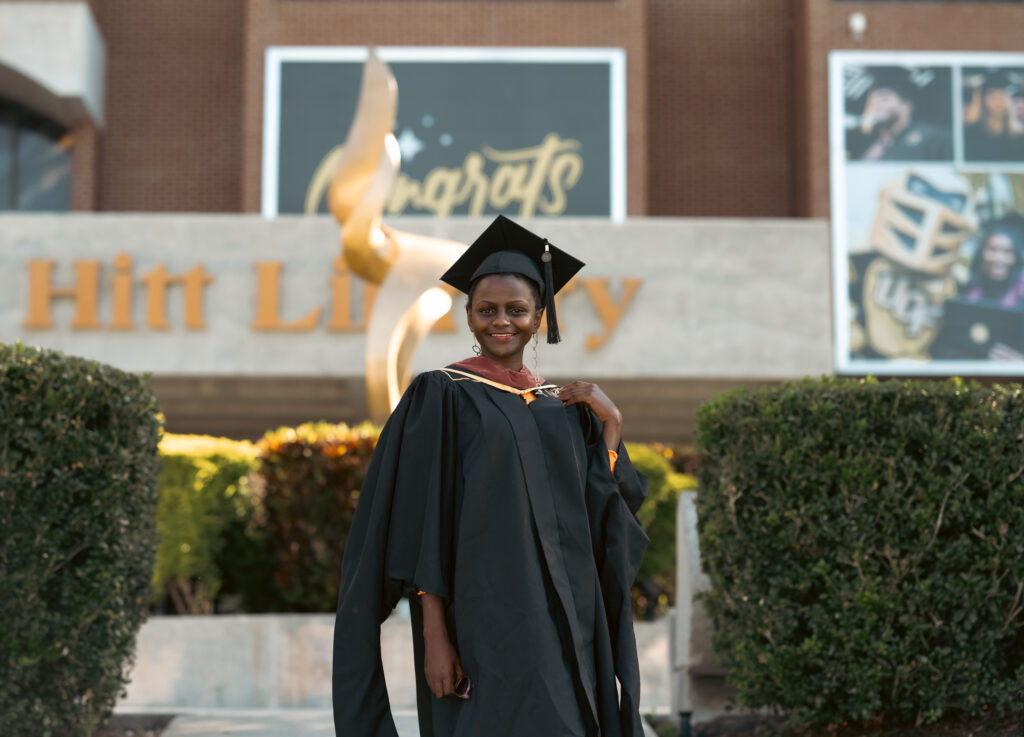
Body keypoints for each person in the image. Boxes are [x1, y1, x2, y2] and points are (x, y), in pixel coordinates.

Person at [331, 214, 649, 737]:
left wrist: (611, 428)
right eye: (488, 310)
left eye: (517, 310)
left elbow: (602, 524)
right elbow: (421, 523)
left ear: (539, 315)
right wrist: (436, 632)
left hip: (570, 624)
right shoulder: (442, 394)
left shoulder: (562, 407)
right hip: (483, 623)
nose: (502, 321)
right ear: (470, 316)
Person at [849, 67, 952, 162]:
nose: (877, 105)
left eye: (884, 99)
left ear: (906, 106)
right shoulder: (867, 143)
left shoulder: (932, 138)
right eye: (873, 101)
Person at [963, 70, 1024, 162]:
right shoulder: (971, 134)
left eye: (1002, 93)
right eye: (992, 94)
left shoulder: (1019, 137)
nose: (998, 99)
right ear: (983, 100)